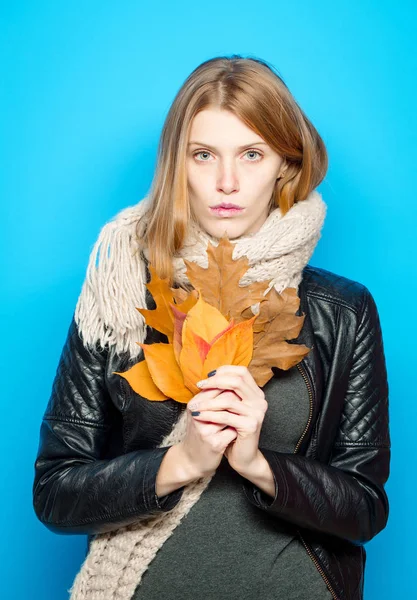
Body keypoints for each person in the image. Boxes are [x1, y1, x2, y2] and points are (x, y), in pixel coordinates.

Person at [32, 55, 390, 600]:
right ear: (179, 166)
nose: (227, 182)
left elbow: (364, 508)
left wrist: (256, 463)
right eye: (204, 155)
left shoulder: (342, 311)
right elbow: (56, 492)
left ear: (284, 165)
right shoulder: (120, 291)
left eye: (252, 154)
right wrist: (181, 462)